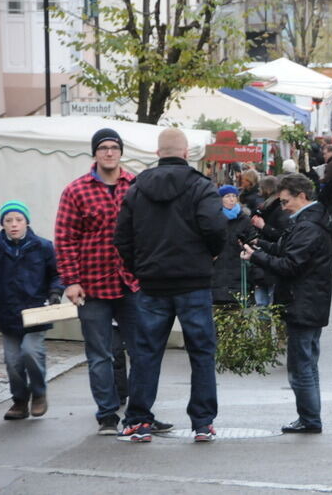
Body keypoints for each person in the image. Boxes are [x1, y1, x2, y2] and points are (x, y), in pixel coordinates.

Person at [114, 127, 227, 443]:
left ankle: (138, 420)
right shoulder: (201, 186)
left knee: (146, 353)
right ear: (187, 152)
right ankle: (202, 422)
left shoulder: (135, 190)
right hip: (193, 282)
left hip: (152, 284)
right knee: (201, 353)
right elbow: (216, 228)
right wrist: (210, 256)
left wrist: (140, 268)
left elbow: (122, 238)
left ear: (157, 153)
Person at [55, 128, 170, 436]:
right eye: (103, 148)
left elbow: (151, 231)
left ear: (121, 152)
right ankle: (107, 414)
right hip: (91, 286)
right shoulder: (76, 191)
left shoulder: (136, 186)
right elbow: (65, 239)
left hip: (131, 283)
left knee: (142, 350)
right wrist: (70, 281)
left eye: (114, 147)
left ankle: (140, 414)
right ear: (95, 153)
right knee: (100, 354)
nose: (109, 152)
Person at [242, 174, 332, 434]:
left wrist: (256, 256)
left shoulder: (308, 226)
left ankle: (309, 419)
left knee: (301, 366)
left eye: (285, 201)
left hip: (303, 302)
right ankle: (309, 416)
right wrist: (261, 245)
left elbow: (290, 265)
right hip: (309, 301)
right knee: (307, 363)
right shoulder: (310, 221)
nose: (282, 207)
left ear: (301, 196)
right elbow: (287, 250)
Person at [0, 201, 63, 420]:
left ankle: (39, 394)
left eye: (18, 220)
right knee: (13, 362)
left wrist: (55, 292)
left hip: (36, 314)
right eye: (8, 220)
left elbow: (57, 273)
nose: (14, 224)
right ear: (2, 224)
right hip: (8, 316)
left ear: (26, 222)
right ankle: (20, 401)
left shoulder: (43, 247)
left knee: (31, 352)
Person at [211, 185, 256, 305]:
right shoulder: (213, 218)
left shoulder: (244, 219)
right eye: (227, 196)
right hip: (217, 271)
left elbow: (253, 241)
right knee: (218, 314)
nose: (231, 199)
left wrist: (245, 245)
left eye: (234, 196)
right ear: (220, 199)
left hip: (238, 270)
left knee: (236, 313)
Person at [251, 176, 291, 306]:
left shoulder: (278, 208)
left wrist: (263, 227)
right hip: (265, 259)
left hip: (272, 259)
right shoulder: (267, 206)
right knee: (263, 302)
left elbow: (282, 235)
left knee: (269, 302)